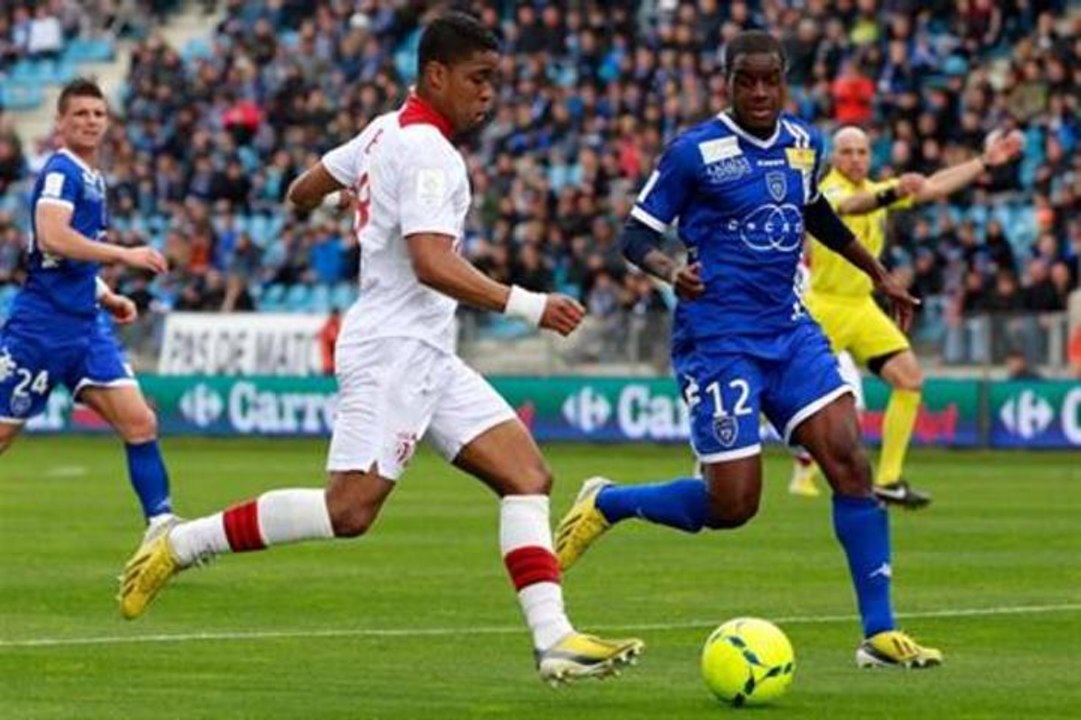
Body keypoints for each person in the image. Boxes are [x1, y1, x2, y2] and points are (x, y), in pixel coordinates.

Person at [119, 14, 642, 684]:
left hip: (425, 349)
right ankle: (182, 541)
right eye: (478, 80)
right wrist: (527, 304)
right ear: (436, 74)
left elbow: (300, 191)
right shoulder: (427, 151)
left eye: (495, 81)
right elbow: (429, 261)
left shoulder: (381, 130)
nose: (488, 95)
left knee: (526, 475)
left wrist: (342, 205)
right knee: (348, 511)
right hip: (393, 349)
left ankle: (555, 640)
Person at [555, 31, 942, 670]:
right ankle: (607, 501)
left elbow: (816, 213)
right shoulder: (693, 153)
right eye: (746, 80)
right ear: (727, 81)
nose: (759, 92)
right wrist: (667, 268)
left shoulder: (801, 142)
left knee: (849, 460)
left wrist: (878, 273)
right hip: (718, 340)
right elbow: (634, 234)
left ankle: (879, 633)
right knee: (732, 505)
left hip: (789, 330)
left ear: (783, 80)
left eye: (770, 80)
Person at [794, 125, 1023, 506]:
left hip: (861, 306)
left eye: (862, 152)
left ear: (870, 156)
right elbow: (855, 206)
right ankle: (720, 458)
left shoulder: (873, 188)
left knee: (910, 379)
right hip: (824, 306)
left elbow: (932, 186)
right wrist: (893, 191)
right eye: (847, 152)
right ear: (834, 157)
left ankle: (887, 479)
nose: (854, 158)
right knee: (785, 393)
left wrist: (983, 162)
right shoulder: (827, 191)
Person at [0, 79, 175, 545]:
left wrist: (104, 296)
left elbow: (65, 258)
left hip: (85, 327)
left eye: (98, 113)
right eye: (80, 114)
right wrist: (125, 255)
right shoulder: (62, 172)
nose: (91, 121)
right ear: (59, 123)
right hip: (38, 330)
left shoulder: (93, 178)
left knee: (140, 422)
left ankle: (161, 532)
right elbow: (52, 235)